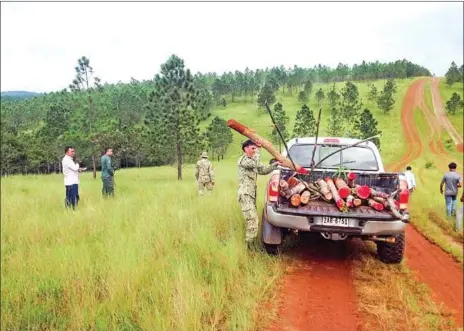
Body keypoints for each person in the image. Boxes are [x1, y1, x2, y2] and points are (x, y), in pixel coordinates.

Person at [237, 139, 281, 249]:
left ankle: (250, 244)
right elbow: (255, 163)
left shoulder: (253, 161)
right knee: (253, 220)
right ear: (245, 149)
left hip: (251, 195)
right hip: (245, 194)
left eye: (255, 149)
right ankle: (249, 247)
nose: (255, 151)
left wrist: (276, 164)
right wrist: (257, 152)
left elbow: (263, 170)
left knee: (252, 220)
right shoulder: (244, 160)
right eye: (252, 148)